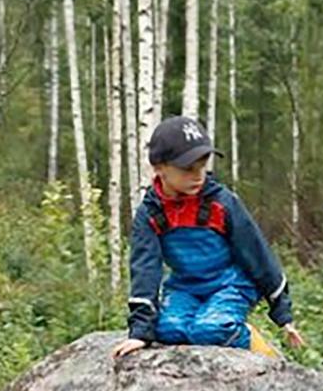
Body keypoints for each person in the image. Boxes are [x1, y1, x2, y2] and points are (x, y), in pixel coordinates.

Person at [114, 115, 303, 360]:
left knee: (211, 330)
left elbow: (257, 253)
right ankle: (202, 320)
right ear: (159, 167)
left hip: (231, 284)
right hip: (185, 287)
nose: (198, 176)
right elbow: (144, 270)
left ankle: (261, 349)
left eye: (202, 166)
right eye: (187, 169)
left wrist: (282, 313)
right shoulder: (150, 213)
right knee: (167, 331)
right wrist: (139, 333)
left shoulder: (222, 202)